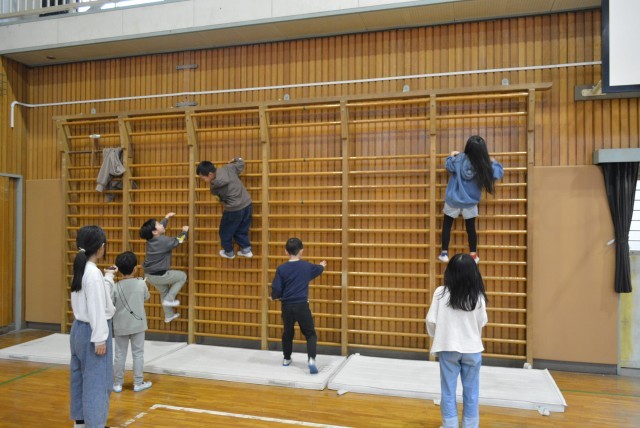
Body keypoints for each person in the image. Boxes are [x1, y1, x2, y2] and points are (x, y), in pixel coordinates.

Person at [426, 253, 489, 428]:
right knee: (472, 391)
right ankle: (471, 425)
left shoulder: (440, 293)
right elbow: (482, 322)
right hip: (473, 349)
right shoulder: (478, 297)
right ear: (474, 273)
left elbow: (431, 321)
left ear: (450, 272)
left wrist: (438, 336)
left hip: (448, 348)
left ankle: (450, 425)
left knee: (448, 390)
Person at [69, 225, 116, 428]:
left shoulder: (81, 269)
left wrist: (108, 277)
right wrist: (100, 338)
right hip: (93, 332)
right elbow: (97, 308)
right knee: (98, 383)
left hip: (78, 330)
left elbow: (93, 298)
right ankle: (95, 425)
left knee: (79, 378)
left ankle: (80, 422)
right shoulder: (93, 273)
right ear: (101, 247)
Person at [438, 135, 504, 264]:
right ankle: (473, 254)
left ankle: (444, 253)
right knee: (471, 228)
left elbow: (448, 165)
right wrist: (492, 160)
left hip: (453, 200)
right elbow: (498, 173)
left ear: (468, 147)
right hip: (470, 203)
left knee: (447, 225)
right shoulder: (482, 164)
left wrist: (451, 155)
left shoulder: (459, 159)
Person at [270, 238, 326, 374]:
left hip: (287, 306)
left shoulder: (281, 269)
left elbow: (277, 288)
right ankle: (311, 360)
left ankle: (286, 358)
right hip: (302, 305)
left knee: (288, 332)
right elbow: (318, 269)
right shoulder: (307, 267)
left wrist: (274, 296)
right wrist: (322, 266)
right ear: (301, 251)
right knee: (310, 334)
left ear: (286, 252)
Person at [111, 251, 152, 393]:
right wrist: (143, 284)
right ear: (135, 268)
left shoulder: (115, 286)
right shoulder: (141, 283)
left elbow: (111, 303)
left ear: (118, 269)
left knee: (119, 355)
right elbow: (147, 297)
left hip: (120, 325)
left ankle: (117, 383)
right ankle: (138, 383)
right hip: (138, 326)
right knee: (138, 354)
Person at [196, 158, 253, 260]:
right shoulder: (228, 168)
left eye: (202, 178)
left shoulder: (214, 186)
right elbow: (241, 163)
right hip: (247, 204)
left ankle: (229, 252)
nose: (203, 180)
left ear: (210, 174)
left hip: (234, 209)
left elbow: (220, 199)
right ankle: (246, 250)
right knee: (241, 229)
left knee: (225, 232)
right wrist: (235, 159)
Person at [140, 212, 189, 323]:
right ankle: (170, 299)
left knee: (164, 292)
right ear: (154, 232)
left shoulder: (151, 240)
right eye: (159, 224)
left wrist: (166, 218)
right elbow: (179, 240)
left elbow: (160, 229)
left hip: (149, 275)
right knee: (182, 276)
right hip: (159, 275)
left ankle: (169, 315)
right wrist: (184, 231)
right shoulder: (163, 241)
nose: (161, 225)